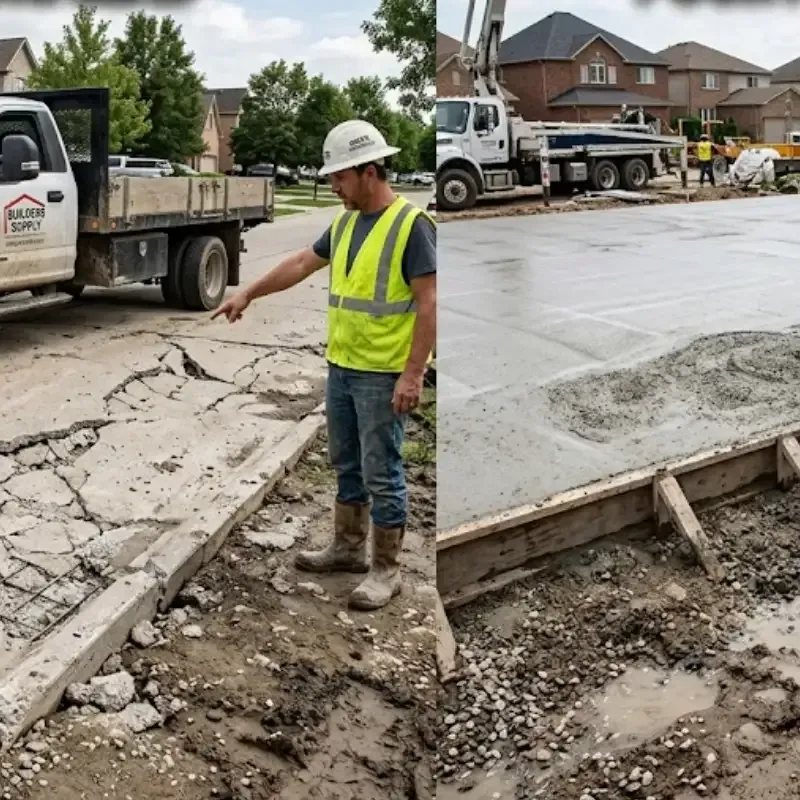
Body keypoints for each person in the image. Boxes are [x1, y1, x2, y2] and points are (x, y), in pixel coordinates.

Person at [212, 120, 436, 611]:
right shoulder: (345, 223)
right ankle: (348, 550)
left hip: (383, 375)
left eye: (339, 177)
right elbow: (300, 263)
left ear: (369, 171)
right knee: (347, 464)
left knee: (384, 470)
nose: (332, 186)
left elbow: (429, 303)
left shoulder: (411, 226)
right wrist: (247, 293)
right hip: (342, 366)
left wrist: (413, 373)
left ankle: (386, 568)